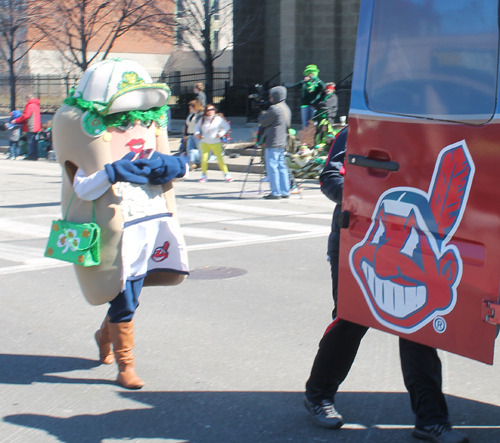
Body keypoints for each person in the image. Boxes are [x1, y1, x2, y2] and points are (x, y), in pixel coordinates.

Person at [304, 127, 469, 443]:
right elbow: (330, 177)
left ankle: (430, 420)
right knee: (351, 321)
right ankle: (318, 395)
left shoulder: (430, 134)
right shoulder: (357, 130)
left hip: (414, 246)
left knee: (417, 329)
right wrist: (363, 199)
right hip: (358, 238)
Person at [51, 58, 190, 390]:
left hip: (149, 226)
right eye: (123, 124)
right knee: (124, 298)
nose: (135, 133)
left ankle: (105, 334)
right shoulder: (91, 157)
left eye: (141, 123)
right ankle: (126, 365)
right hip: (118, 233)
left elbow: (172, 171)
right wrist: (112, 172)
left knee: (131, 295)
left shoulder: (152, 155)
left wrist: (165, 166)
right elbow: (82, 187)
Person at [258, 86, 291, 199]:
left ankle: (275, 192)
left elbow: (263, 121)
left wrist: (262, 113)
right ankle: (285, 191)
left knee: (272, 167)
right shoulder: (286, 108)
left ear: (276, 96)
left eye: (271, 96)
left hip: (273, 141)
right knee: (281, 166)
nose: (270, 98)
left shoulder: (275, 108)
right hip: (282, 141)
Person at [194, 104, 233, 183]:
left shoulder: (218, 119)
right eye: (208, 110)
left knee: (220, 159)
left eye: (212, 109)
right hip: (205, 142)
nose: (210, 111)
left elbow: (227, 126)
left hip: (215, 143)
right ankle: (204, 176)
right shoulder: (202, 119)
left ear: (215, 110)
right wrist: (197, 133)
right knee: (204, 159)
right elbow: (196, 127)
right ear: (206, 111)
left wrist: (221, 133)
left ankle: (227, 175)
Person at [12, 94, 41, 161]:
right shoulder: (36, 105)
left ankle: (31, 155)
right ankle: (35, 155)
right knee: (34, 141)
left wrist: (16, 120)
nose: (25, 100)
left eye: (26, 98)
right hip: (35, 125)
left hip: (31, 126)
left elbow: (26, 116)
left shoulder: (30, 105)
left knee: (31, 141)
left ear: (28, 98)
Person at [184, 100, 203, 168]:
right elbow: (187, 125)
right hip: (190, 135)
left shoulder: (200, 115)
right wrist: (185, 135)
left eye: (191, 106)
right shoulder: (190, 115)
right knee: (189, 150)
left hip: (197, 135)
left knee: (199, 150)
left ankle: (199, 162)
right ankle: (192, 163)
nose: (189, 107)